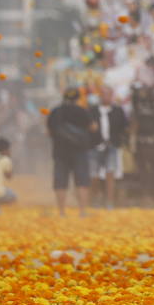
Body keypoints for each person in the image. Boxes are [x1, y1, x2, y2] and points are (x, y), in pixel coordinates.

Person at [47, 87, 94, 216]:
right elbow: (93, 127)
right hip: (80, 151)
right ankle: (82, 211)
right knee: (82, 180)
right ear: (78, 98)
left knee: (60, 181)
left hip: (60, 151)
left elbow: (49, 132)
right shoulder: (83, 111)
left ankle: (61, 211)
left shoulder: (56, 112)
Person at [90, 87, 128, 209]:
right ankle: (95, 198)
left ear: (112, 96)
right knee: (93, 176)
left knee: (110, 174)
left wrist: (120, 141)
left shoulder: (118, 111)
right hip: (95, 146)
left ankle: (109, 201)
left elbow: (124, 127)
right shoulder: (92, 111)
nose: (106, 97)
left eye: (108, 95)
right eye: (104, 94)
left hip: (112, 145)